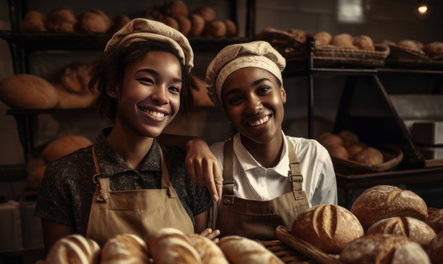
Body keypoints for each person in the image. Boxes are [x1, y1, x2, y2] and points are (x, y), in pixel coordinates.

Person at [35, 18, 215, 251]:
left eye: (174, 88)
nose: (162, 97)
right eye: (147, 80)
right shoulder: (64, 176)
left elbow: (205, 263)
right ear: (113, 86)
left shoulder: (188, 171)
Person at [191, 40, 338, 240]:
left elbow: (328, 237)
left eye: (263, 90)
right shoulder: (214, 162)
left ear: (283, 93)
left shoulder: (314, 156)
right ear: (227, 113)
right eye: (236, 100)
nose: (253, 106)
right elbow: (203, 241)